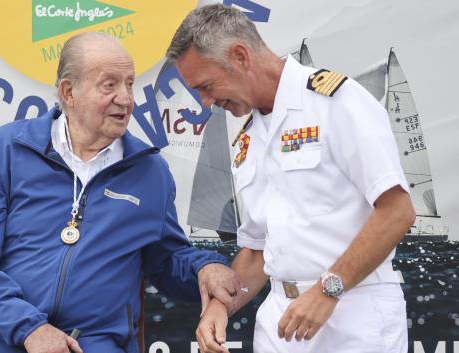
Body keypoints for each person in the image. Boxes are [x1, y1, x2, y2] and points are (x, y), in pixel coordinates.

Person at [0, 32, 242, 353]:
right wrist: (30, 329)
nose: (125, 98)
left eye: (129, 84)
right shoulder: (5, 149)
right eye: (109, 85)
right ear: (68, 92)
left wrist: (204, 267)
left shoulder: (150, 171)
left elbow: (166, 259)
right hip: (6, 342)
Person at [167, 4, 415, 353]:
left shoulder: (337, 102)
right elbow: (256, 251)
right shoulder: (248, 139)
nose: (207, 102)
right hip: (280, 323)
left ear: (240, 56)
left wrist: (328, 289)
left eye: (207, 86)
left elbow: (397, 212)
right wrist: (220, 307)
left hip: (354, 315)